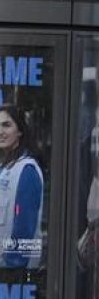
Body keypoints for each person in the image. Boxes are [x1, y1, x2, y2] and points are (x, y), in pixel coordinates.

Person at [0, 105, 44, 269]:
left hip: (13, 275)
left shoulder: (27, 170)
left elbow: (25, 227)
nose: (0, 131)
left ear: (20, 131)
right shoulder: (5, 168)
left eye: (6, 125)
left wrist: (13, 267)